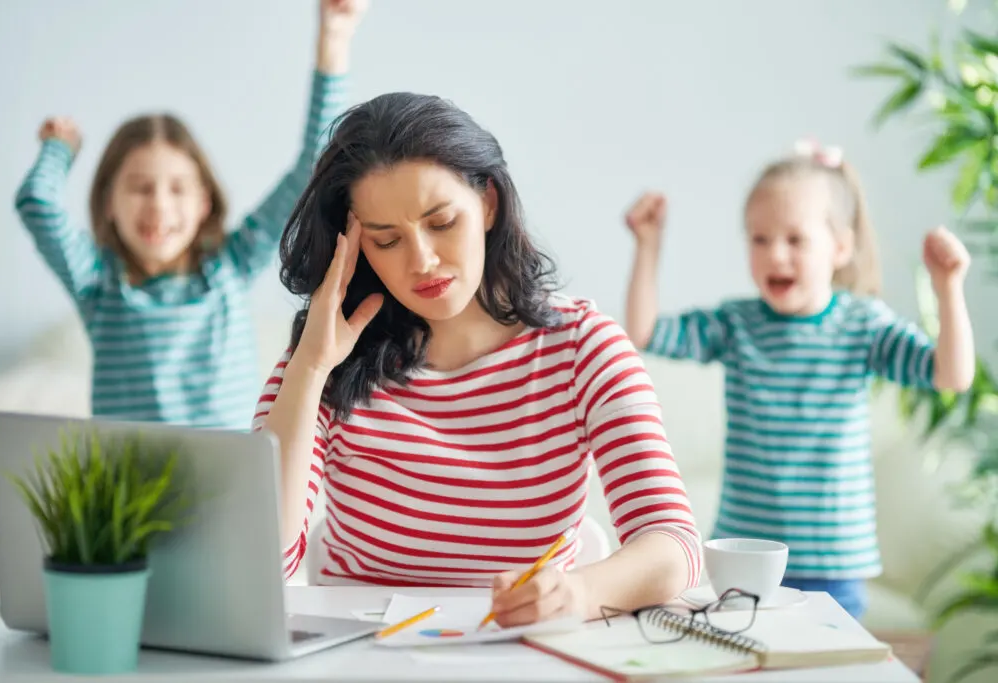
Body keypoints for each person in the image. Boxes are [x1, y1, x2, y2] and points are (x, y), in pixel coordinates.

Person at [253, 91, 701, 627]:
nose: (422, 260)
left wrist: (577, 594)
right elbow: (262, 566)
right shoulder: (320, 358)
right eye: (387, 239)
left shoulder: (584, 347)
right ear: (355, 248)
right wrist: (309, 370)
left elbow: (675, 545)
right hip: (363, 660)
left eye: (442, 223)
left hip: (525, 654)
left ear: (488, 203)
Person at [622, 139, 975, 619]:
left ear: (840, 247)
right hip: (744, 555)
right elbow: (645, 332)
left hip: (834, 562)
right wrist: (648, 246)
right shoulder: (737, 323)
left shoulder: (862, 324)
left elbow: (950, 375)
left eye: (795, 239)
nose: (775, 255)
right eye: (759, 239)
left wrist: (949, 288)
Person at [13, 0, 367, 429]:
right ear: (109, 203)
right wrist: (59, 150)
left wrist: (334, 40)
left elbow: (317, 159)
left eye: (178, 189)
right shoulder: (98, 285)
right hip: (137, 493)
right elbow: (37, 202)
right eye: (141, 188)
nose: (159, 205)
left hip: (229, 485)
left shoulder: (230, 266)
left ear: (203, 204)